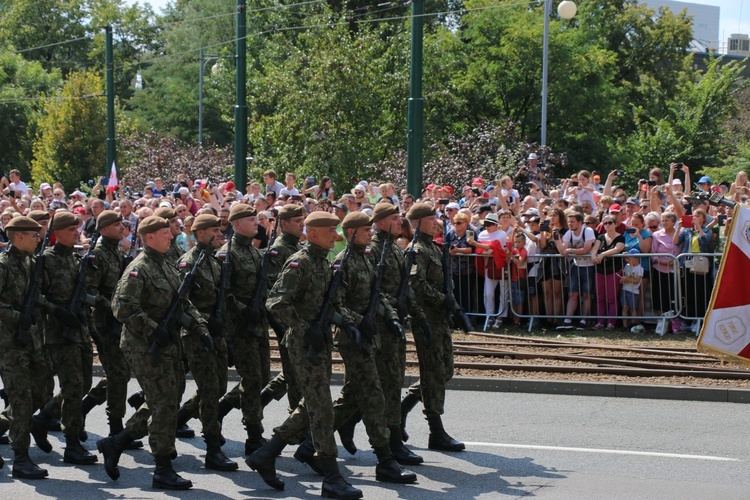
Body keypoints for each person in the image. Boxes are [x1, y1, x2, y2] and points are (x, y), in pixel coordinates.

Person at [248, 210, 363, 499]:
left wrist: (349, 321)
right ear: (313, 234)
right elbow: (275, 302)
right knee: (322, 408)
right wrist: (302, 328)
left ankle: (267, 454)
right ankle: (332, 477)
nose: (336, 237)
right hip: (303, 345)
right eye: (330, 231)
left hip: (320, 342)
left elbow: (331, 305)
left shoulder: (324, 264)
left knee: (311, 404)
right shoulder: (300, 263)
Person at [100, 216, 213, 490]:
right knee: (163, 405)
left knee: (165, 402)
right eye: (165, 233)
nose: (171, 237)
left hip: (169, 344)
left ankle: (117, 442)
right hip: (144, 346)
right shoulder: (138, 268)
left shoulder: (166, 266)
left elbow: (182, 303)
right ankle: (162, 468)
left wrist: (200, 327)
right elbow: (122, 307)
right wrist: (152, 328)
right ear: (149, 237)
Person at [325, 211, 416, 483]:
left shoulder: (365, 258)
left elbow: (377, 295)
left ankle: (307, 445)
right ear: (352, 232)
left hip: (372, 332)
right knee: (374, 394)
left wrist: (392, 316)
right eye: (365, 229)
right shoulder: (343, 262)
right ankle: (386, 459)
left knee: (363, 392)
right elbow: (334, 303)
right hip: (353, 336)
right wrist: (359, 321)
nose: (370, 232)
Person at [400, 203, 465, 452]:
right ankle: (436, 431)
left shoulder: (434, 248)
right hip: (426, 319)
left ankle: (404, 406)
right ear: (417, 223)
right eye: (431, 218)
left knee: (444, 370)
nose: (437, 221)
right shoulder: (417, 250)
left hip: (439, 318)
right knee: (434, 372)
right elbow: (416, 284)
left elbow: (444, 285)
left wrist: (454, 308)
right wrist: (442, 300)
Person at [174, 214, 236, 471]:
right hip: (198, 336)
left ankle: (181, 417)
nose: (220, 234)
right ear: (200, 233)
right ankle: (212, 448)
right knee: (211, 390)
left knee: (218, 386)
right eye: (214, 230)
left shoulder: (213, 261)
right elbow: (182, 303)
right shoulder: (189, 262)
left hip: (217, 333)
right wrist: (205, 323)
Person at [37, 211, 98, 465]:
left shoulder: (76, 259)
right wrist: (58, 311)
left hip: (79, 330)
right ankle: (72, 443)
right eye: (72, 229)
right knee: (73, 387)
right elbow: (36, 296)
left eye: (78, 228)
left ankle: (40, 420)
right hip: (58, 333)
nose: (77, 232)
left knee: (83, 385)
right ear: (57, 233)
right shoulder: (46, 260)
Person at [85, 211, 143, 448]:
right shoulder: (97, 256)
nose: (123, 227)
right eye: (117, 224)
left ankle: (82, 408)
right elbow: (88, 292)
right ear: (104, 229)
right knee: (118, 375)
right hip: (105, 324)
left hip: (119, 323)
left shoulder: (118, 254)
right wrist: (110, 305)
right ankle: (115, 429)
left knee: (119, 374)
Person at [218, 204, 272, 456]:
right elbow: (223, 293)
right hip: (238, 328)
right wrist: (243, 309)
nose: (256, 224)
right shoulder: (228, 253)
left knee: (261, 377)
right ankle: (253, 434)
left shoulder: (253, 253)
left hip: (257, 325)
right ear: (236, 224)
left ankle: (221, 409)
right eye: (251, 220)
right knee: (252, 380)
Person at [0, 216, 50, 479]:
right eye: (33, 234)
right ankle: (21, 458)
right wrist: (18, 317)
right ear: (19, 236)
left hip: (33, 340)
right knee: (21, 401)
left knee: (42, 392)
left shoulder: (32, 262)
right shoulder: (3, 265)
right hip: (10, 343)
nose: (38, 238)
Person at [674, 209, 713, 333]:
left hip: (701, 265)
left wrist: (698, 227)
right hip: (687, 264)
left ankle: (699, 320)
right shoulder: (687, 231)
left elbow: (706, 241)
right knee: (688, 292)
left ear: (703, 219)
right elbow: (675, 242)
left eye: (698, 216)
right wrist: (679, 227)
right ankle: (689, 320)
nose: (694, 217)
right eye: (693, 215)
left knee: (700, 292)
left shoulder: (707, 230)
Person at [557, 211, 596, 330]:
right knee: (572, 293)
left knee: (587, 294)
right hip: (576, 266)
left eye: (572, 222)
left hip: (589, 266)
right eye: (569, 222)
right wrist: (557, 239)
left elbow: (586, 249)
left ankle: (584, 320)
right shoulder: (569, 233)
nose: (570, 224)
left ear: (580, 222)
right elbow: (563, 251)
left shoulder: (588, 231)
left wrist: (570, 250)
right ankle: (567, 320)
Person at [590, 214, 626, 330]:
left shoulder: (620, 237)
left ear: (615, 224)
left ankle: (611, 322)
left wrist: (602, 255)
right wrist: (593, 255)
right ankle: (600, 321)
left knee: (612, 297)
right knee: (600, 297)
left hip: (614, 270)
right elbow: (595, 248)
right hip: (600, 270)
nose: (608, 225)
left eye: (610, 222)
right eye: (605, 223)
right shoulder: (600, 237)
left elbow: (618, 249)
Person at [650, 212, 681, 315]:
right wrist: (662, 262)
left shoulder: (680, 233)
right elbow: (652, 253)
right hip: (660, 269)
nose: (664, 222)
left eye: (666, 220)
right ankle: (661, 319)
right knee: (660, 295)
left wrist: (675, 260)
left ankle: (675, 319)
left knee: (674, 295)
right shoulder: (656, 235)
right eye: (662, 220)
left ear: (673, 222)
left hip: (675, 270)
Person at [620, 249, 644, 332]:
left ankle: (633, 325)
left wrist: (627, 279)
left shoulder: (640, 269)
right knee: (624, 307)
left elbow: (637, 281)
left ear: (636, 258)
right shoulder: (627, 266)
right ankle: (624, 325)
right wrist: (622, 280)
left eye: (630, 258)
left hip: (634, 292)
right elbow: (623, 276)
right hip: (624, 289)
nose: (628, 260)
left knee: (633, 308)